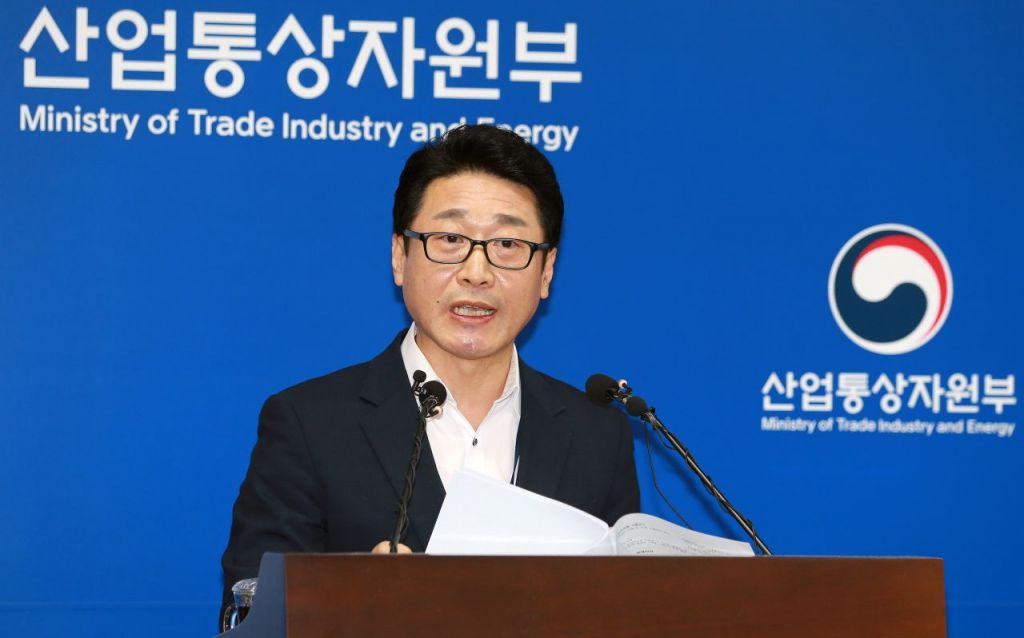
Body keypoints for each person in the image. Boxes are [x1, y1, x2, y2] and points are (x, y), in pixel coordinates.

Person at [220, 124, 640, 614]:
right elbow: (246, 612)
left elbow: (628, 608)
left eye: (508, 244)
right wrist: (349, 602)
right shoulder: (309, 424)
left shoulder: (597, 435)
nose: (477, 272)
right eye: (449, 238)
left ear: (546, 271)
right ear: (400, 256)